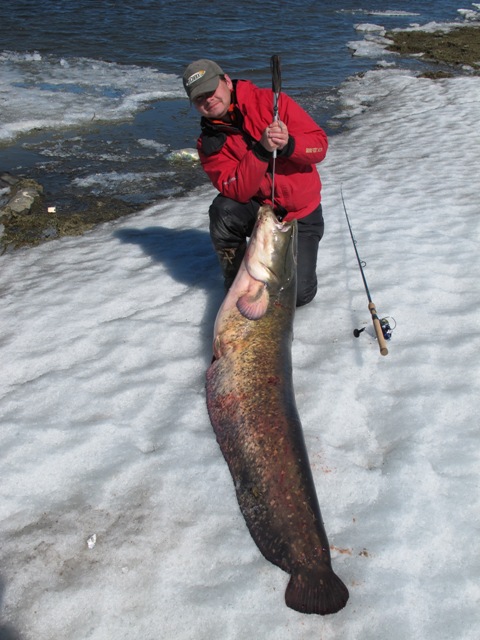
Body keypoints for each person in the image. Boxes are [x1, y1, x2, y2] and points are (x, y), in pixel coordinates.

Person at [183, 59, 328, 307]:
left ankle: (278, 260)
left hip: (299, 214)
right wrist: (261, 151)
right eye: (199, 98)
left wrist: (290, 145)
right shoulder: (208, 143)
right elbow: (237, 191)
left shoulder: (270, 102)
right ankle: (237, 284)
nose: (208, 100)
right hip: (260, 211)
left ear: (227, 82)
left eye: (211, 91)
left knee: (298, 295)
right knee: (224, 211)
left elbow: (320, 146)